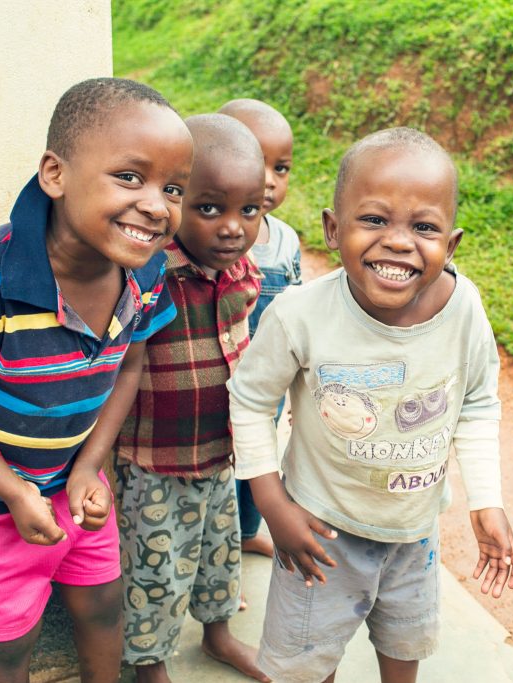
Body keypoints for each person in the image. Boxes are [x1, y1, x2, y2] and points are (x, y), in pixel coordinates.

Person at [0, 77, 193, 683]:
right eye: (130, 177)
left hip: (74, 484)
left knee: (103, 605)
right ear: (55, 174)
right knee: (10, 644)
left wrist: (89, 467)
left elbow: (129, 363)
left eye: (173, 188)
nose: (158, 206)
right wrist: (13, 491)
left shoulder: (145, 273)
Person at [227, 127, 513, 683]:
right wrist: (272, 502)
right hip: (317, 530)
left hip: (414, 534)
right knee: (306, 664)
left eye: (424, 227)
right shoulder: (300, 315)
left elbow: (478, 403)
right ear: (332, 229)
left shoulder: (464, 309)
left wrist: (486, 501)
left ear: (451, 245)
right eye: (374, 219)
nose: (399, 242)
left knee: (404, 641)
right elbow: (249, 400)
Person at [112, 113, 269, 683]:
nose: (232, 228)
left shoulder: (242, 270)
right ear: (175, 200)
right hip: (155, 459)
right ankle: (150, 665)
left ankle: (218, 635)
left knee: (218, 556)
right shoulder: (150, 275)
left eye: (249, 210)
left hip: (221, 452)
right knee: (155, 573)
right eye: (209, 208)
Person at [218, 98, 302, 558]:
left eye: (281, 168)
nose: (269, 179)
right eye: (256, 162)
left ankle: (247, 531)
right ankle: (222, 546)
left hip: (267, 378)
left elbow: (301, 314)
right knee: (222, 460)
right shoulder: (215, 237)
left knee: (260, 452)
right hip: (218, 375)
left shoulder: (286, 240)